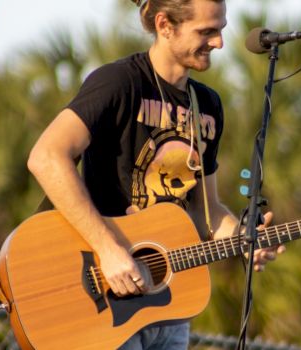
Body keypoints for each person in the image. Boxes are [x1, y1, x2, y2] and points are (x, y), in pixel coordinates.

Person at [27, 0, 285, 349]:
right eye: (207, 31)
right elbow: (46, 156)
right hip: (99, 297)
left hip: (167, 305)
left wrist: (244, 239)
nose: (219, 43)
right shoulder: (119, 82)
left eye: (221, 29)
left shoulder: (207, 106)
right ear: (165, 25)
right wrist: (108, 248)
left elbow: (204, 210)